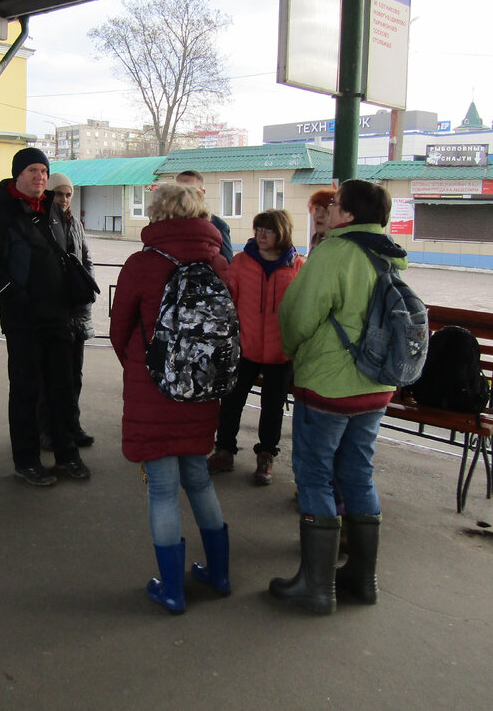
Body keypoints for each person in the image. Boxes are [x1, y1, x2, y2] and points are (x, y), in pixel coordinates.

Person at [270, 179, 404, 615]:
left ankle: (315, 586)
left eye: (337, 205)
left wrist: (293, 351)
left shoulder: (333, 251)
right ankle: (362, 580)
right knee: (359, 476)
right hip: (375, 388)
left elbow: (297, 313)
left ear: (347, 214)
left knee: (314, 476)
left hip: (329, 386)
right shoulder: (391, 254)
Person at [109, 183, 232, 614]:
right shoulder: (219, 261)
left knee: (162, 489)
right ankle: (219, 574)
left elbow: (118, 330)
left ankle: (173, 590)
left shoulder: (142, 264)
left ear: (157, 214)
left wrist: (143, 370)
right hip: (202, 391)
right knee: (197, 477)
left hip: (153, 391)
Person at [0, 147, 91, 487]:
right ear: (17, 175)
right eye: (32, 171)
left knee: (62, 388)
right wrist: (14, 296)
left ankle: (67, 453)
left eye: (43, 170)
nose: (40, 176)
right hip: (23, 318)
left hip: (58, 316)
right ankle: (26, 460)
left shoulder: (52, 209)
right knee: (25, 391)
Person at [207, 208, 303, 485]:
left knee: (272, 407)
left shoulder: (298, 266)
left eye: (268, 230)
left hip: (280, 351)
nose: (261, 235)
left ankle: (266, 456)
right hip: (245, 347)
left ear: (281, 232)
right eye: (258, 228)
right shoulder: (241, 262)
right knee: (232, 401)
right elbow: (228, 302)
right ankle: (224, 450)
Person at [37, 172, 95, 452]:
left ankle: (72, 425)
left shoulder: (75, 223)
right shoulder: (43, 221)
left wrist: (87, 290)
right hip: (54, 310)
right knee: (50, 375)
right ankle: (47, 429)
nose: (63, 199)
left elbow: (86, 258)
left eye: (68, 194)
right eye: (58, 193)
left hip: (76, 310)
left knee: (75, 373)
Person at [174, 170, 233, 261]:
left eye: (191, 191)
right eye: (179, 191)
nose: (184, 196)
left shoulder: (217, 225)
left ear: (202, 193)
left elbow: (227, 265)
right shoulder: (160, 222)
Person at [306, 187, 336, 254]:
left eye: (327, 210)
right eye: (317, 209)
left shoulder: (340, 248)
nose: (319, 215)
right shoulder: (315, 244)